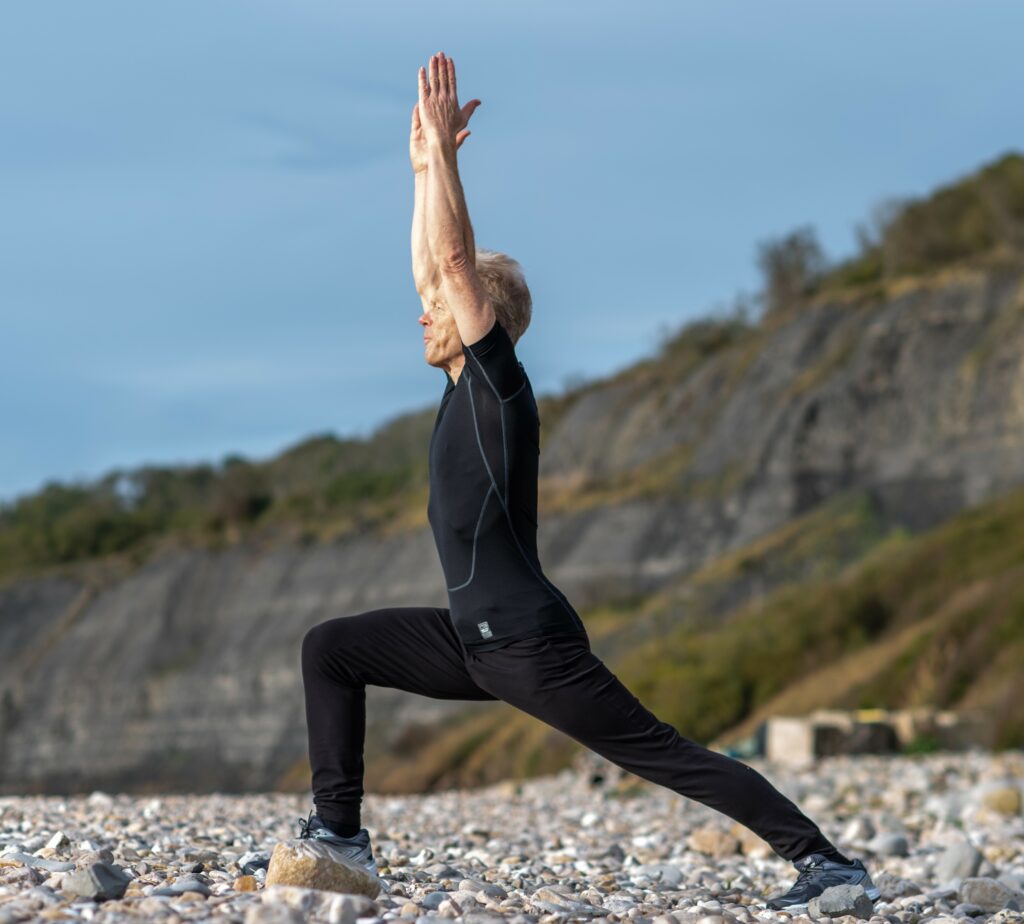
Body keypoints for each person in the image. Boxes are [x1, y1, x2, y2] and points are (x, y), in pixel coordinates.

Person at [293, 51, 881, 913]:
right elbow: (436, 268)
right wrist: (421, 168)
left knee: (661, 752)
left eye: (440, 307)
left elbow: (453, 265)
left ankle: (828, 863)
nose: (421, 311)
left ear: (475, 318)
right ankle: (340, 834)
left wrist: (451, 165)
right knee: (331, 648)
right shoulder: (458, 380)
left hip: (529, 645)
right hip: (472, 639)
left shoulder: (501, 389)